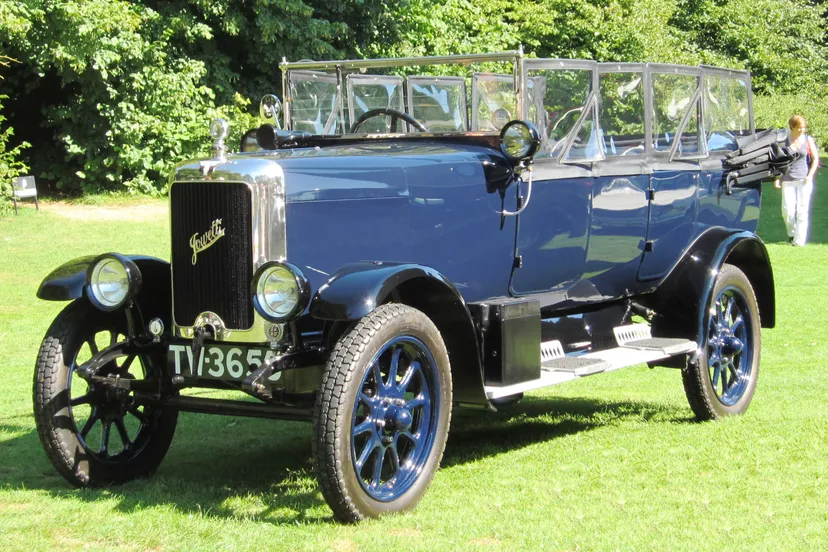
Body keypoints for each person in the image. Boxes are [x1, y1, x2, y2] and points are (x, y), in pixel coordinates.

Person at [775, 115, 819, 246]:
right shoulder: (783, 140)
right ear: (792, 127)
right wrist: (778, 178)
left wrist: (810, 175)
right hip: (788, 179)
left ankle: (799, 241)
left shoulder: (808, 140)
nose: (801, 130)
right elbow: (779, 160)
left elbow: (816, 159)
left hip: (804, 179)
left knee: (802, 211)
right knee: (787, 211)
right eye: (799, 127)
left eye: (803, 127)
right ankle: (792, 233)